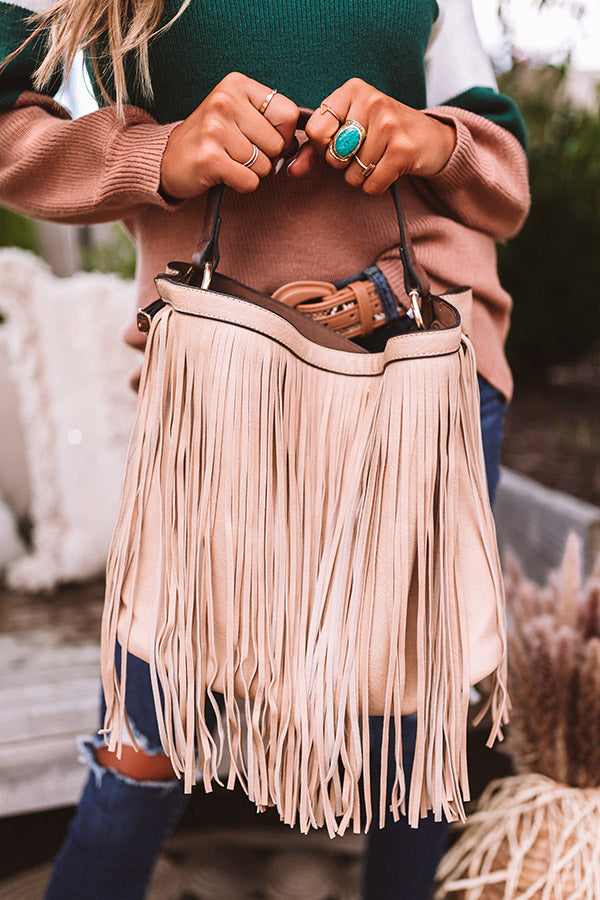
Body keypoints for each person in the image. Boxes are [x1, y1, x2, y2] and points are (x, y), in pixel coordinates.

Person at [0, 0, 530, 897]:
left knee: (411, 740)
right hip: (217, 391)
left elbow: (503, 170)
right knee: (144, 746)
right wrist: (158, 153)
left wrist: (430, 140)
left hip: (426, 369)